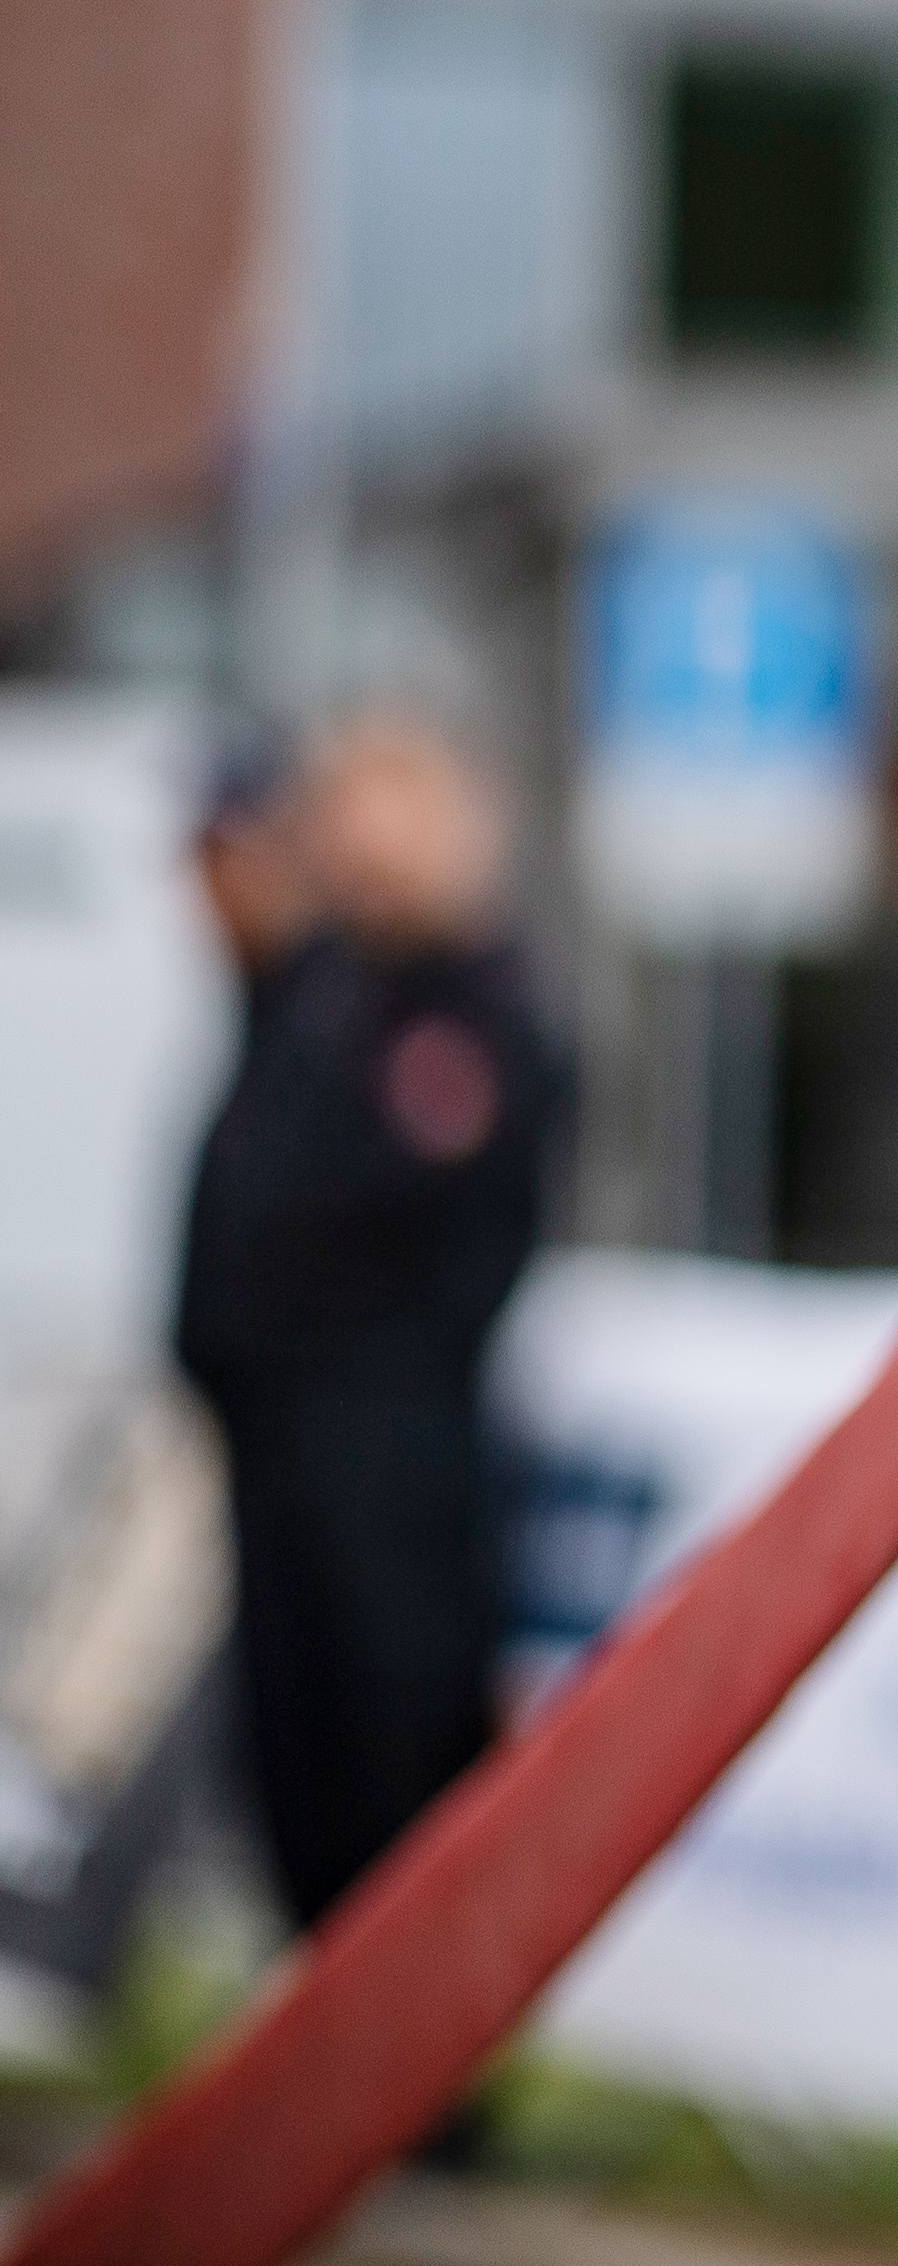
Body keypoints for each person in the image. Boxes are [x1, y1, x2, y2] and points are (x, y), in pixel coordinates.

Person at [171, 709, 562, 1936]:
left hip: (397, 1472)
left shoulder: (474, 1016)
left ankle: (426, 2082)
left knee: (397, 1760)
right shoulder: (322, 1000)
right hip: (282, 1455)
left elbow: (400, 1232)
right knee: (292, 1755)